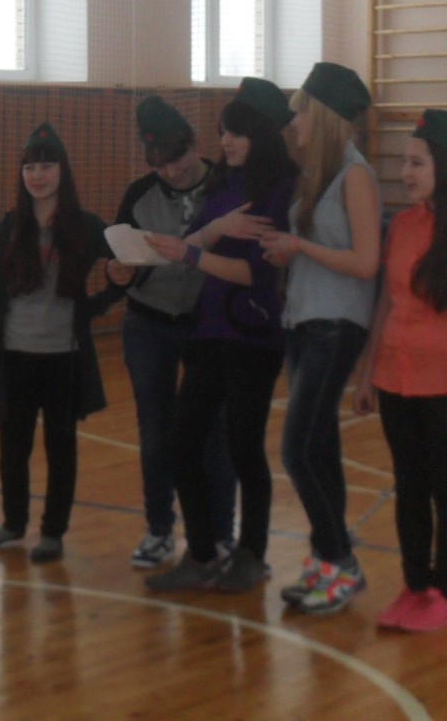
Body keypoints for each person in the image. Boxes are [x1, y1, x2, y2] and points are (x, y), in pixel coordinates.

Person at [143, 78, 298, 593]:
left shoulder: (279, 188)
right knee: (182, 443)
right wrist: (210, 235)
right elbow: (198, 239)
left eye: (235, 133)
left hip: (252, 334)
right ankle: (202, 554)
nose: (225, 142)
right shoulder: (224, 183)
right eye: (223, 132)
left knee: (244, 446)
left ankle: (251, 554)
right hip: (209, 330)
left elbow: (255, 273)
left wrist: (193, 253)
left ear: (260, 134)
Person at [354, 110, 447, 632]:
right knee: (409, 487)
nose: (405, 173)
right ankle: (415, 586)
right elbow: (386, 303)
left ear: (445, 166)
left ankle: (445, 592)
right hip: (396, 381)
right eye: (404, 161)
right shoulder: (402, 226)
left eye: (416, 163)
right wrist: (368, 373)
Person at [103, 95, 266, 568]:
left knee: (216, 433)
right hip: (149, 325)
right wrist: (117, 272)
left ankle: (220, 534)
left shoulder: (227, 186)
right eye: (158, 164)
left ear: (194, 145)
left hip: (208, 328)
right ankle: (158, 530)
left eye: (176, 159)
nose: (170, 171)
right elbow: (123, 259)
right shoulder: (139, 195)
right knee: (155, 432)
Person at [257, 62, 382, 614]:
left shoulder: (356, 176)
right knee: (321, 449)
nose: (294, 123)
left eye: (302, 112)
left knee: (298, 449)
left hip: (337, 324)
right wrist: (285, 252)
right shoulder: (317, 174)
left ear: (324, 116)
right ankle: (327, 561)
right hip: (304, 319)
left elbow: (366, 263)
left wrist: (300, 247)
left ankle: (340, 560)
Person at [0, 122, 112, 564]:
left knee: (60, 446)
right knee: (13, 447)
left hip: (63, 357)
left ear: (62, 171)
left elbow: (131, 263)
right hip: (15, 354)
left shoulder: (86, 227)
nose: (37, 175)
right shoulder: (7, 228)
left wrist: (95, 306)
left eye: (46, 165)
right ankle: (13, 523)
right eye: (30, 167)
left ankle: (53, 532)